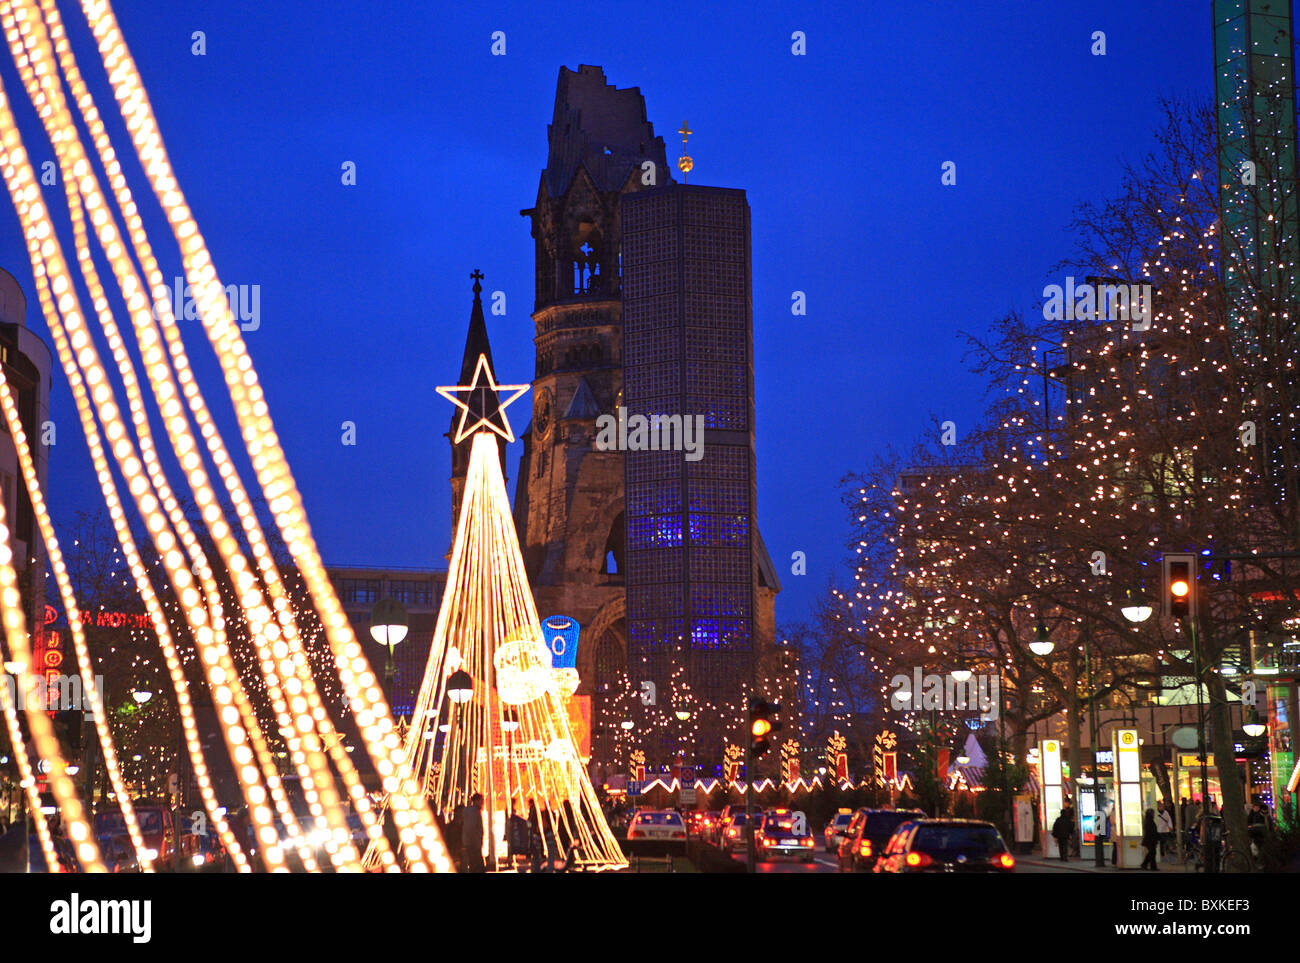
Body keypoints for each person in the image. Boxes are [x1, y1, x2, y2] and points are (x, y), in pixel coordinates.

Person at [461, 793, 485, 873]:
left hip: (472, 843)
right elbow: (471, 828)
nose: (483, 802)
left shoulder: (472, 811)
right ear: (476, 801)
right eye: (481, 800)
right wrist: (476, 842)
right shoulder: (473, 812)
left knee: (474, 865)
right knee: (477, 866)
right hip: (473, 844)